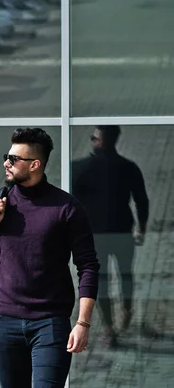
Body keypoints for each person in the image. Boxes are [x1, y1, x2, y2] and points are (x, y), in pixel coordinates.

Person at [0, 127, 100, 388]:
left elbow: (88, 266)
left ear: (35, 164)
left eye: (14, 159)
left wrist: (83, 323)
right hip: (5, 323)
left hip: (50, 324)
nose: (6, 162)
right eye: (8, 156)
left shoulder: (66, 208)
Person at [71, 125, 151, 348]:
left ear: (99, 141)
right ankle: (125, 310)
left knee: (101, 281)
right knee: (126, 276)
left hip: (94, 236)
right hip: (122, 232)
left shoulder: (79, 168)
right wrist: (141, 229)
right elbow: (141, 200)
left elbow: (70, 204)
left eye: (94, 138)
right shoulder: (128, 167)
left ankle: (108, 327)